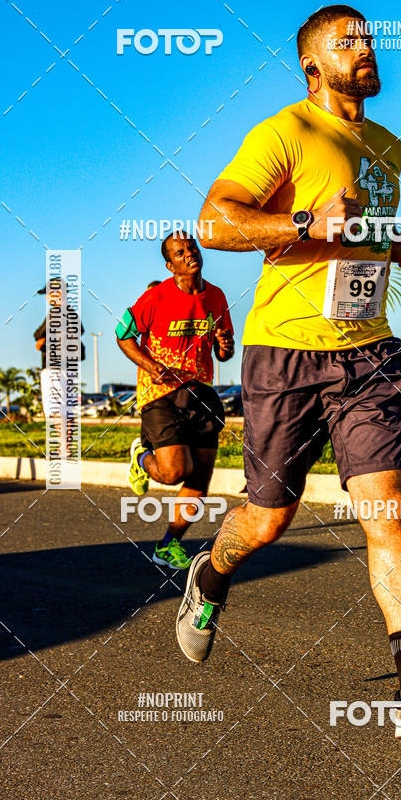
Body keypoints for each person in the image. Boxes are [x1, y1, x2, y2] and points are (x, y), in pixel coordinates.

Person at [176, 4, 401, 739]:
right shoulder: (286, 131)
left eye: (371, 37)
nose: (367, 48)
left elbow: (358, 236)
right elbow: (216, 221)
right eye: (349, 42)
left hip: (368, 351)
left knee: (389, 512)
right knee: (271, 517)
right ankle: (211, 573)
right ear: (313, 67)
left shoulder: (387, 146)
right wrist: (305, 223)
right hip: (285, 352)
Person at [115, 232, 234, 571]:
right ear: (170, 265)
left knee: (200, 479)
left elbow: (223, 354)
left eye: (192, 248)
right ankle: (143, 456)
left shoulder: (217, 296)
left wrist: (225, 344)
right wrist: (151, 366)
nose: (189, 254)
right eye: (180, 252)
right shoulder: (154, 297)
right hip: (161, 394)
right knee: (173, 473)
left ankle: (169, 545)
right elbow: (122, 334)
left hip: (201, 392)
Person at [34, 279, 85, 418]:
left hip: (54, 367)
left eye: (48, 293)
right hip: (69, 366)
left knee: (56, 412)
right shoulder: (71, 313)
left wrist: (43, 341)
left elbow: (38, 335)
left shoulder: (56, 313)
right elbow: (80, 330)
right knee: (66, 411)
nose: (46, 297)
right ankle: (66, 440)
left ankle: (62, 440)